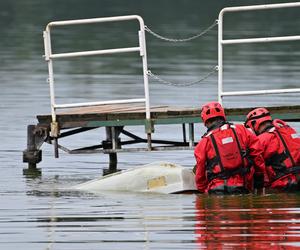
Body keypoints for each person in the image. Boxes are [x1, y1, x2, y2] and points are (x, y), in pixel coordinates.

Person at [194, 101, 267, 194]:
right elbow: (257, 155)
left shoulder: (203, 142)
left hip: (216, 190)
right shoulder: (242, 130)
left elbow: (200, 171)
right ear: (222, 115)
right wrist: (259, 178)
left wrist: (202, 189)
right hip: (241, 187)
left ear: (205, 121)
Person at [245, 107, 300, 191]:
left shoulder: (261, 140)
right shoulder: (290, 132)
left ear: (253, 124)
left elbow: (257, 165)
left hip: (282, 183)